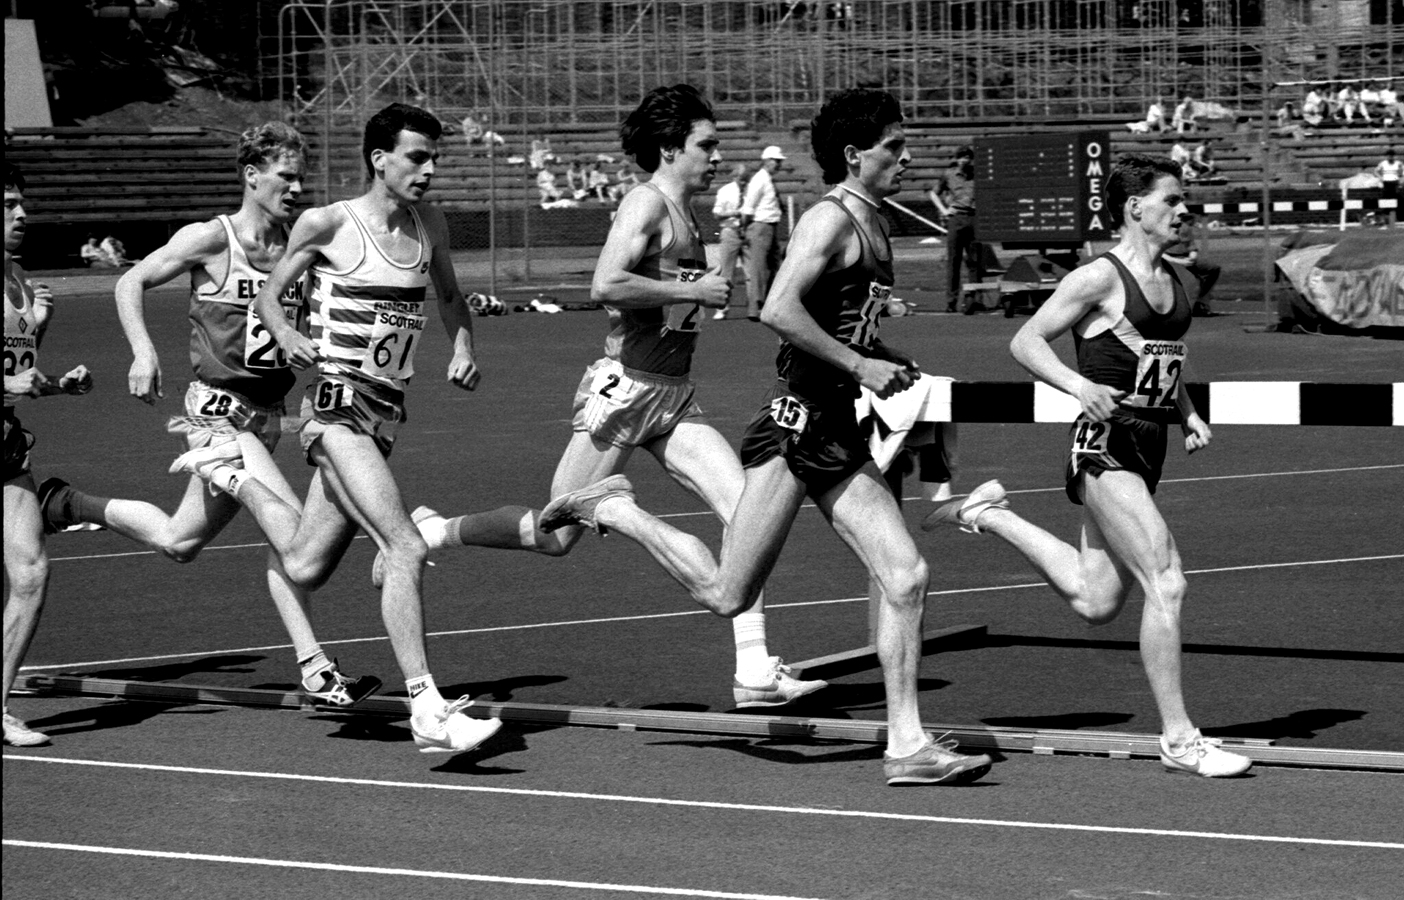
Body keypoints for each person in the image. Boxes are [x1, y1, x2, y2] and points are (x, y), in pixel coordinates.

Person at [538, 87, 995, 787]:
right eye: (894, 146)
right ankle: (613, 508)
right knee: (726, 592)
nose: (906, 158)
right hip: (798, 425)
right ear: (855, 155)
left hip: (838, 425)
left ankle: (907, 745)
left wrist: (886, 358)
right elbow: (777, 308)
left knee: (905, 574)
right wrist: (859, 363)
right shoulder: (828, 220)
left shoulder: (872, 223)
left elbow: (844, 328)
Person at [387, 85, 826, 711]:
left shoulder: (687, 208)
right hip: (624, 394)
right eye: (707, 144)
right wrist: (697, 291)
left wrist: (692, 289)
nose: (718, 156)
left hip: (672, 395)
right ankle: (435, 532)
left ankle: (754, 669)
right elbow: (604, 283)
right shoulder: (646, 205)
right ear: (670, 149)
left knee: (744, 516)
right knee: (554, 533)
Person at [922, 154, 1252, 778]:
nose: (1185, 212)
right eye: (1172, 201)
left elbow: (1160, 358)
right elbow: (1024, 342)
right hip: (1103, 443)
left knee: (1095, 599)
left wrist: (1186, 411)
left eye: (1186, 203)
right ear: (1135, 208)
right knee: (1166, 578)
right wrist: (1077, 385)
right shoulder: (1097, 277)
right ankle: (1180, 739)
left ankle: (987, 514)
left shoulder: (1175, 279)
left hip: (1148, 441)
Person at [35, 124, 381, 711]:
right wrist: (144, 352)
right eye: (285, 176)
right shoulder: (212, 239)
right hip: (217, 411)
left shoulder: (301, 251)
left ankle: (68, 505)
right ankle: (317, 671)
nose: (296, 188)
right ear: (252, 175)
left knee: (180, 540)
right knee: (295, 532)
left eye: (302, 177)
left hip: (268, 415)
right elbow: (130, 280)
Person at [200, 103, 502, 755]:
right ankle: (427, 707)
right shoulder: (329, 224)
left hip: (384, 414)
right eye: (417, 157)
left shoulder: (430, 224)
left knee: (305, 563)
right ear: (380, 159)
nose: (429, 169)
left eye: (434, 158)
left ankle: (235, 474)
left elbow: (448, 294)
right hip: (335, 413)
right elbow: (268, 296)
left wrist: (464, 348)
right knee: (404, 545)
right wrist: (288, 335)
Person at [4, 164, 94, 746]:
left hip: (4, 446)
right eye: (8, 204)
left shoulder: (18, 282)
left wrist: (58, 382)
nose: (21, 215)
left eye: (22, 205)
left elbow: (15, 375)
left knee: (31, 573)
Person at [929, 145, 984, 314]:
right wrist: (944, 211)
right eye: (962, 157)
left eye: (968, 157)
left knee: (975, 261)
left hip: (974, 218)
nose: (965, 160)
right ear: (957, 158)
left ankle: (974, 298)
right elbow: (933, 193)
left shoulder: (978, 174)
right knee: (954, 261)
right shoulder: (949, 175)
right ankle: (951, 301)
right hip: (956, 218)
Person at [739, 145, 785, 320]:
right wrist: (745, 230)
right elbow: (748, 208)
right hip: (760, 226)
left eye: (779, 161)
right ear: (766, 161)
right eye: (776, 161)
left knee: (776, 266)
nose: (779, 164)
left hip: (770, 226)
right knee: (758, 268)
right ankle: (754, 308)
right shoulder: (759, 179)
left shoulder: (767, 179)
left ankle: (769, 301)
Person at [710, 162, 748, 320]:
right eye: (742, 178)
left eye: (746, 178)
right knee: (727, 272)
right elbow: (717, 213)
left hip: (747, 233)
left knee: (752, 273)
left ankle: (755, 308)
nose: (744, 182)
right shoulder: (725, 191)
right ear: (734, 176)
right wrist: (734, 213)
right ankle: (722, 307)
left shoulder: (752, 191)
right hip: (729, 231)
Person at [1162, 214, 1220, 315]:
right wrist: (1177, 261)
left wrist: (1192, 256)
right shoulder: (1160, 227)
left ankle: (1199, 302)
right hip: (1167, 259)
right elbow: (1156, 252)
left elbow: (1191, 246)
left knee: (1213, 269)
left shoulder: (1185, 228)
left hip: (1184, 258)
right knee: (1184, 280)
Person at [1374, 147, 1401, 225]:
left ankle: (1395, 218)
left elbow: (1402, 173)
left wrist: (1400, 180)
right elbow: (1375, 171)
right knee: (1385, 200)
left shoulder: (1398, 163)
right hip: (1386, 183)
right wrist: (1380, 177)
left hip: (1395, 183)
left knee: (1396, 200)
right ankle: (1385, 219)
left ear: (1394, 156)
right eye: (1388, 156)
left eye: (1391, 156)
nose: (1390, 157)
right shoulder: (1383, 163)